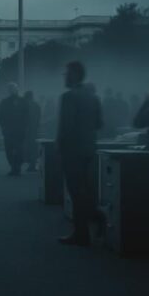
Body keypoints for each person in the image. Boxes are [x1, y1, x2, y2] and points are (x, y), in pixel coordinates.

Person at [56, 60, 103, 246]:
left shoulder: (69, 96)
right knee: (85, 189)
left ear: (74, 74)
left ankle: (82, 232)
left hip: (73, 150)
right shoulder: (94, 97)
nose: (64, 77)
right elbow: (100, 124)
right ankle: (96, 218)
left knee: (76, 192)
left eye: (66, 73)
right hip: (89, 148)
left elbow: (65, 126)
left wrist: (59, 146)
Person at [0, 83, 28, 175]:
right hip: (9, 130)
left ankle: (17, 166)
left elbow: (27, 115)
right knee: (9, 149)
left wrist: (25, 126)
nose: (12, 90)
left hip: (19, 130)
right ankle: (13, 166)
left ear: (17, 89)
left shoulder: (23, 101)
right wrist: (3, 126)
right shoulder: (5, 102)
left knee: (19, 149)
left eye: (14, 88)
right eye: (10, 89)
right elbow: (0, 115)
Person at [22, 91, 41, 171]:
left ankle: (31, 164)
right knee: (33, 147)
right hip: (34, 129)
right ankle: (33, 164)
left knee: (28, 147)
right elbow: (39, 117)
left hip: (27, 129)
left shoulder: (24, 105)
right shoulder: (36, 105)